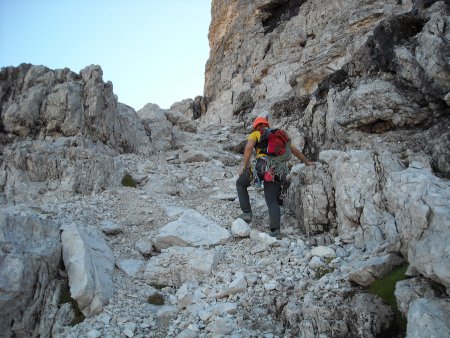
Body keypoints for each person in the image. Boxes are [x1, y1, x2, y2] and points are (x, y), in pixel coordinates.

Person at [236, 116, 314, 239]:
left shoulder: (256, 133)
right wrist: (307, 162)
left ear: (256, 126)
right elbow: (294, 151)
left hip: (262, 165)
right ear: (267, 124)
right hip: (278, 169)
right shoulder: (279, 136)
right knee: (271, 199)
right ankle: (275, 231)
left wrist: (244, 166)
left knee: (240, 183)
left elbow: (249, 148)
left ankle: (246, 213)